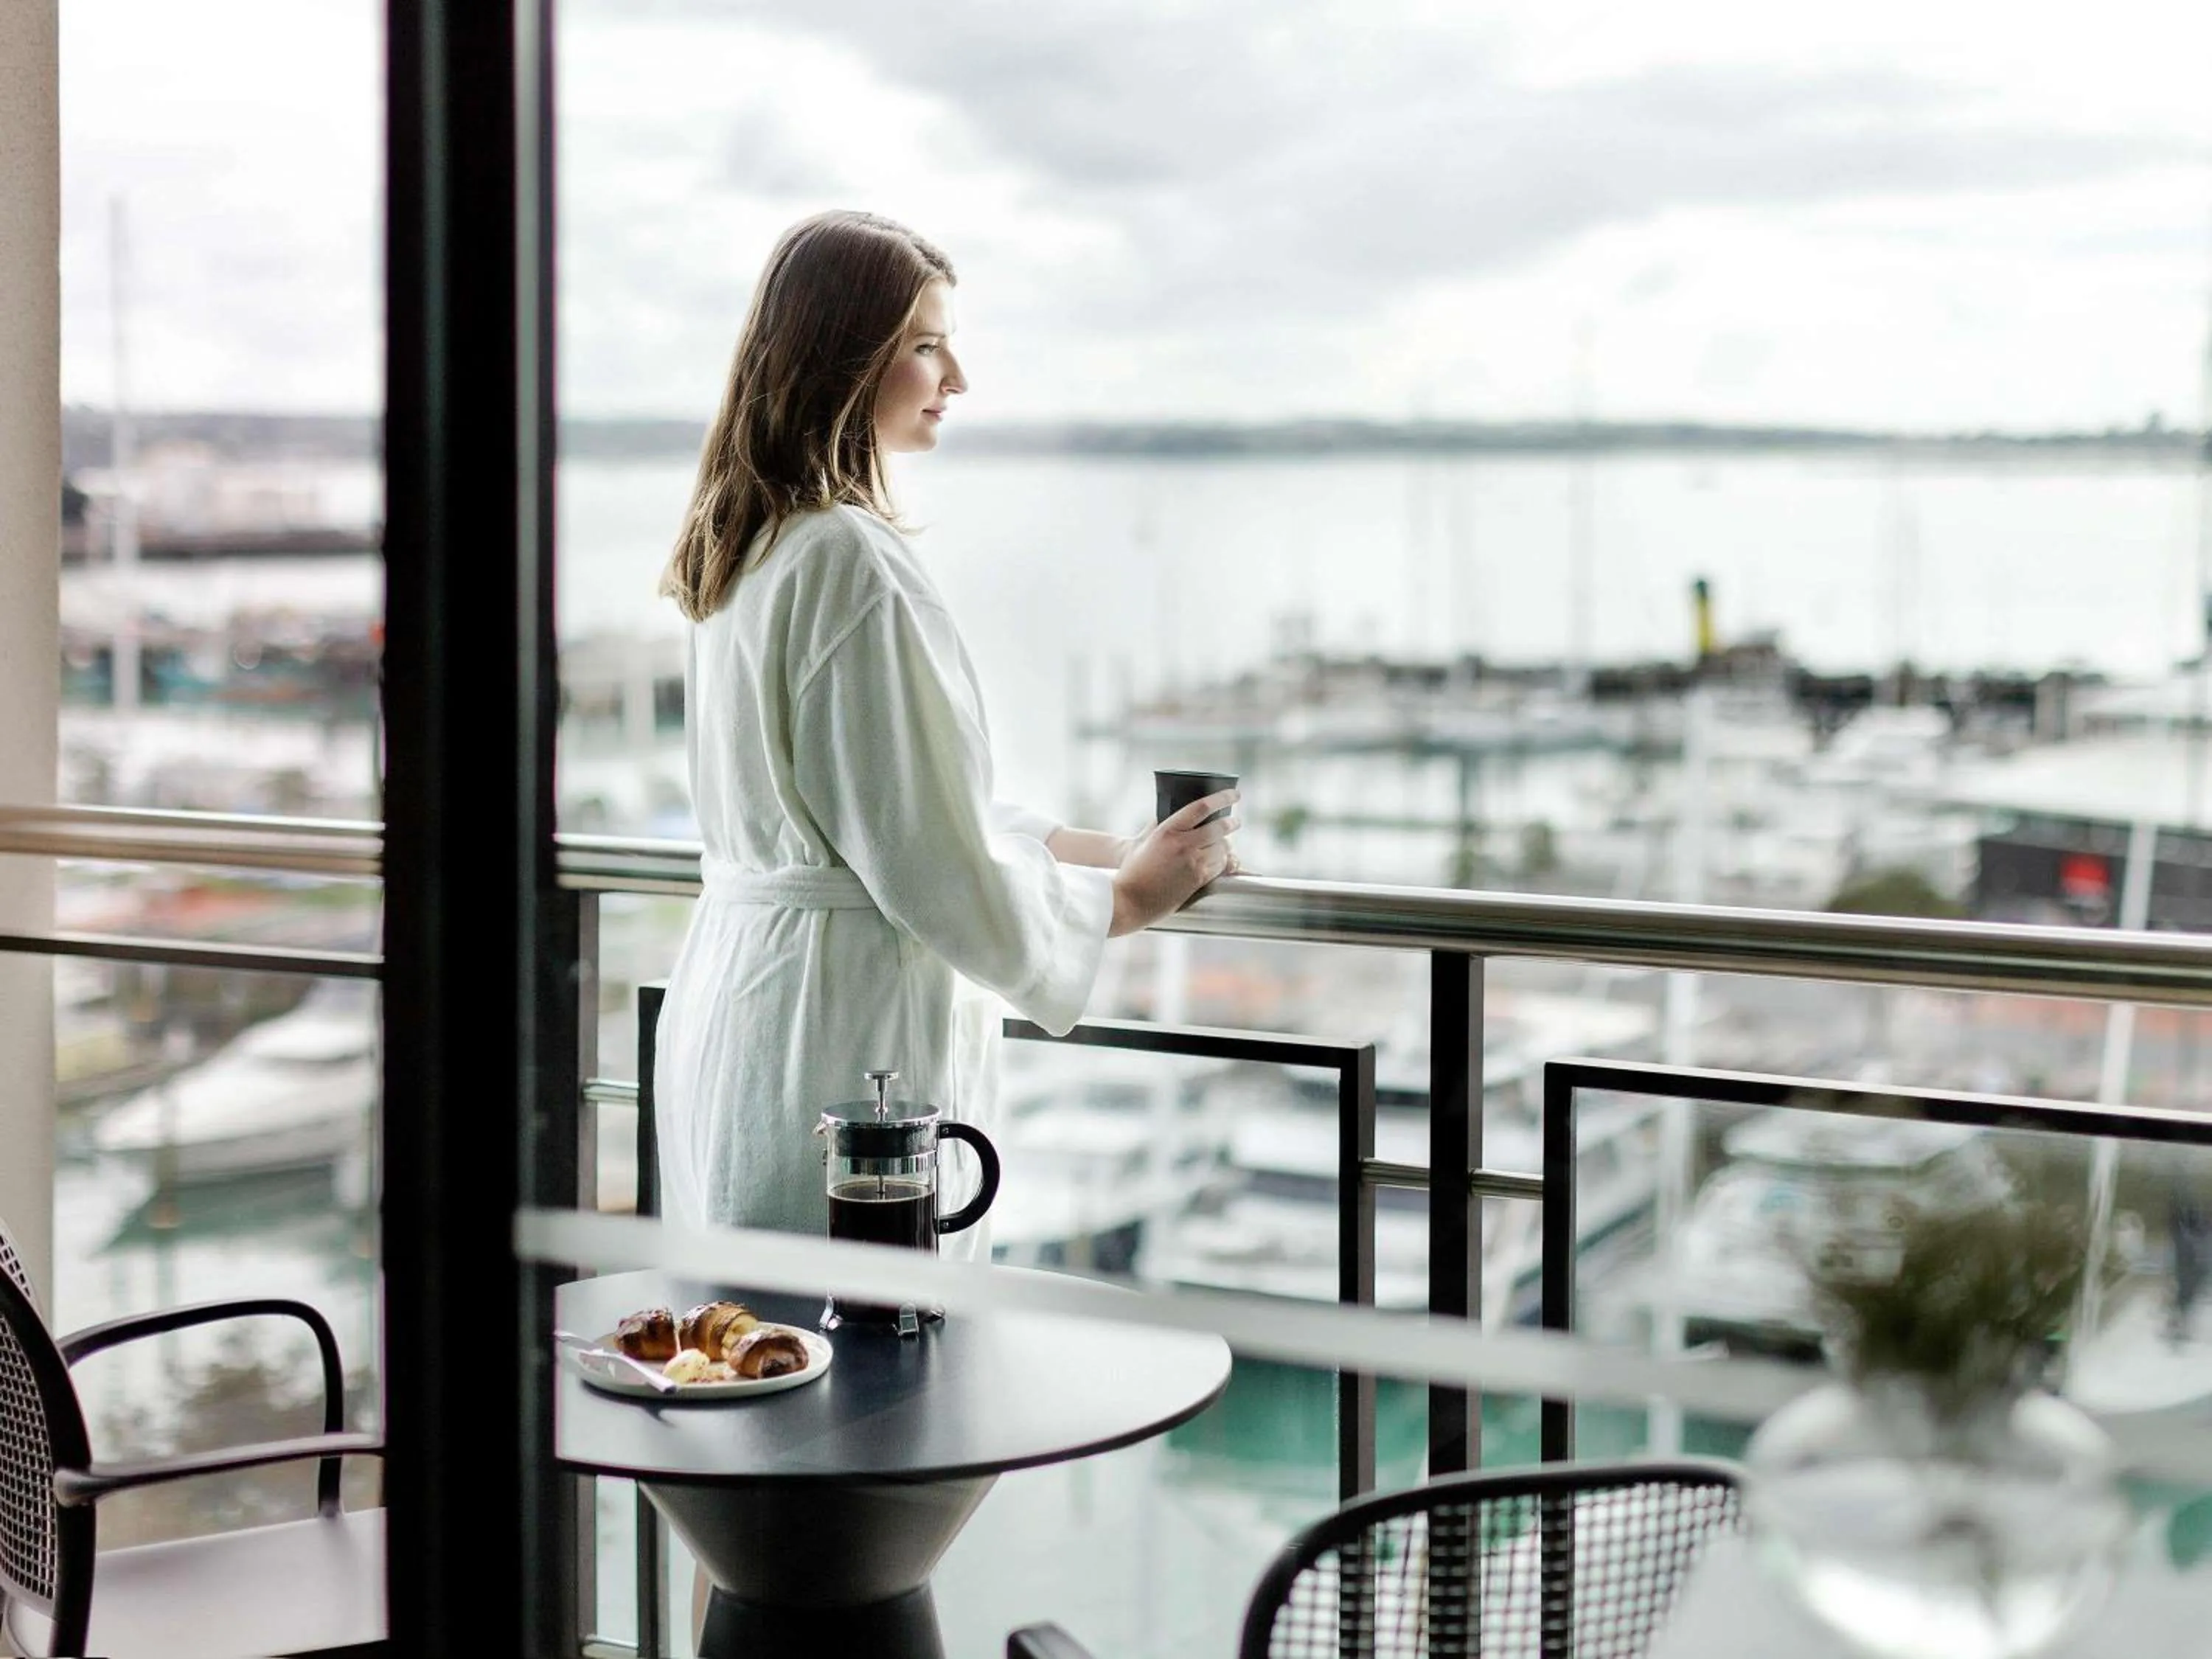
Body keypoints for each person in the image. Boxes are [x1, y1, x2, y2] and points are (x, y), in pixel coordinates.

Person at [652, 209, 1237, 1245]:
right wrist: (1131, 896)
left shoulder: (747, 548)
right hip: (840, 1043)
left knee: (753, 1350)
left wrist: (1075, 848)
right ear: (844, 359)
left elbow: (869, 800)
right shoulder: (849, 562)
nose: (955, 375)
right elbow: (925, 856)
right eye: (926, 345)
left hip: (739, 1009)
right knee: (855, 1368)